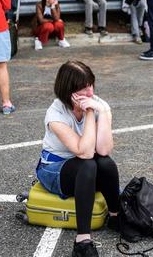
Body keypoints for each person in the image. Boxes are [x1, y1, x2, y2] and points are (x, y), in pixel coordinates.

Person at [36, 60, 119, 257]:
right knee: (88, 165)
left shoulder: (99, 104)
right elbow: (85, 152)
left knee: (105, 164)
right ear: (69, 90)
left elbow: (104, 149)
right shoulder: (55, 114)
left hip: (82, 166)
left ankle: (116, 217)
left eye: (91, 84)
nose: (90, 92)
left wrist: (103, 112)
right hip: (54, 168)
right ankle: (82, 241)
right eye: (83, 88)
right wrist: (90, 112)